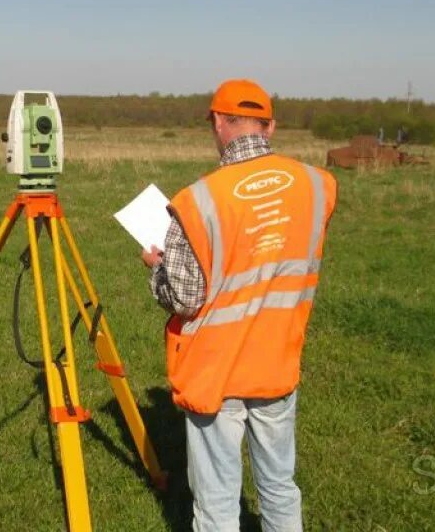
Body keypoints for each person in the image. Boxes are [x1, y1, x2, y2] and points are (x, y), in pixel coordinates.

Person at [142, 79, 336, 531]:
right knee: (280, 488)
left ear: (216, 121)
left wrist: (157, 268)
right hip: (277, 363)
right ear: (270, 126)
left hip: (217, 372)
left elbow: (186, 299)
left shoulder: (197, 201)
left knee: (216, 507)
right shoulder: (317, 184)